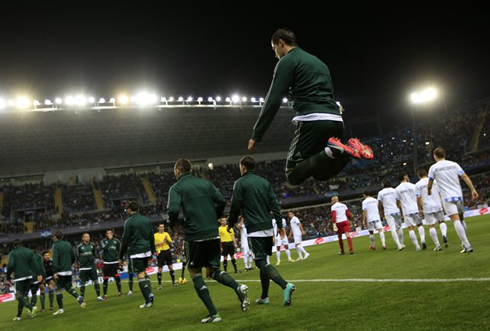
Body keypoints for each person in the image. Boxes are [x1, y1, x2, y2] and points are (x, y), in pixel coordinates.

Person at [247, 27, 373, 187]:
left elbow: (274, 98)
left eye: (274, 49)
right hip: (336, 120)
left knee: (292, 175)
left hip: (312, 120)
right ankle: (346, 153)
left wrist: (257, 134)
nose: (275, 54)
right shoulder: (320, 63)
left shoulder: (287, 61)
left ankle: (336, 150)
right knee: (321, 174)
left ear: (281, 42)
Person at [167, 158, 249, 323]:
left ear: (177, 172)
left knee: (195, 272)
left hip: (195, 235)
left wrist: (173, 224)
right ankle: (238, 287)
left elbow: (173, 209)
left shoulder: (176, 188)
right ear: (190, 169)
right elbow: (221, 201)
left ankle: (214, 313)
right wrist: (214, 216)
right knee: (211, 271)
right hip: (212, 232)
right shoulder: (206, 183)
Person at [227, 156, 295, 307]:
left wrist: (230, 223)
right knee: (263, 260)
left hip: (255, 228)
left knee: (260, 261)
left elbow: (235, 206)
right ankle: (264, 296)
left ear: (243, 166)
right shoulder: (264, 182)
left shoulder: (240, 183)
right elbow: (274, 204)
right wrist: (280, 224)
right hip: (268, 227)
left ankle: (285, 285)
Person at [427, 147, 478, 253]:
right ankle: (464, 243)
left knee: (455, 220)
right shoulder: (454, 164)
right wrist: (472, 189)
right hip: (459, 196)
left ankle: (467, 245)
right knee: (461, 219)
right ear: (444, 154)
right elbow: (464, 176)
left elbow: (430, 182)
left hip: (447, 197)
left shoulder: (433, 168)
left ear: (435, 156)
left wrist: (429, 190)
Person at [118, 200, 156, 308]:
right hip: (146, 250)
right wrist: (152, 252)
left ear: (130, 210)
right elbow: (151, 237)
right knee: (144, 273)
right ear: (138, 209)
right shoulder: (146, 220)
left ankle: (148, 300)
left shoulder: (129, 222)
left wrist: (121, 256)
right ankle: (150, 293)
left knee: (140, 275)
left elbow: (125, 240)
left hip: (136, 251)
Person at [51, 231, 86, 315]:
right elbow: (73, 256)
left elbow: (55, 258)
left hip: (60, 271)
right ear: (62, 236)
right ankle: (78, 297)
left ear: (55, 237)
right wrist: (69, 265)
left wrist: (55, 271)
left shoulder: (55, 245)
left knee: (58, 289)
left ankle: (61, 309)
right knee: (68, 287)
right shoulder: (68, 244)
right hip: (68, 270)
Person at [6, 239, 41, 321]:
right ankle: (18, 316)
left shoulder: (13, 253)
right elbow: (35, 263)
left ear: (14, 245)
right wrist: (39, 274)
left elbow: (10, 265)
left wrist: (8, 276)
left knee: (18, 296)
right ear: (22, 244)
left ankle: (31, 307)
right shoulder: (29, 251)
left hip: (19, 277)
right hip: (29, 276)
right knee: (23, 295)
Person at [415, 168, 446, 251]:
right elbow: (440, 193)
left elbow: (418, 198)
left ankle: (438, 245)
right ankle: (444, 235)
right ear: (426, 173)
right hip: (437, 204)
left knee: (431, 226)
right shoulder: (435, 181)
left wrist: (419, 209)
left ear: (419, 176)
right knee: (441, 222)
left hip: (427, 206)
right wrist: (442, 204)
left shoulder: (417, 185)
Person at [395, 172, 424, 251]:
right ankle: (422, 240)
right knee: (420, 225)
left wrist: (399, 208)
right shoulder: (413, 186)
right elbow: (419, 197)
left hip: (406, 210)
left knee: (410, 229)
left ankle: (417, 246)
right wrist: (420, 208)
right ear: (404, 176)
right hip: (415, 208)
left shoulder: (397, 189)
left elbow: (397, 202)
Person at [377, 179, 405, 251]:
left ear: (383, 185)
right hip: (396, 210)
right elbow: (398, 201)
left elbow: (379, 204)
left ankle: (399, 245)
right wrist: (400, 210)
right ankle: (402, 243)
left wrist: (380, 211)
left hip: (388, 212)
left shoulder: (380, 193)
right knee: (399, 227)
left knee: (392, 228)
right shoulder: (394, 190)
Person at [76, 232, 103, 301]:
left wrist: (91, 261)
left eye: (88, 236)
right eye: (86, 236)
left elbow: (94, 254)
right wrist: (82, 263)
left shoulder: (92, 245)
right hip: (83, 267)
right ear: (83, 238)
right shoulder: (79, 247)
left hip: (92, 266)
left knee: (95, 281)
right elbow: (77, 256)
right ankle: (82, 298)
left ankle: (99, 296)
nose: (87, 238)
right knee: (83, 283)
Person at [154, 222, 178, 288]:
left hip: (167, 251)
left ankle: (174, 282)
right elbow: (153, 244)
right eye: (161, 227)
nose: (162, 228)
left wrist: (167, 240)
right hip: (160, 252)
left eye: (163, 227)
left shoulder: (166, 234)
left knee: (170, 266)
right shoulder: (155, 235)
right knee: (160, 269)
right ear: (158, 228)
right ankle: (159, 285)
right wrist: (159, 243)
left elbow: (171, 241)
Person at [101, 228, 123, 299]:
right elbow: (104, 248)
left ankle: (120, 292)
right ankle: (105, 295)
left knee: (117, 277)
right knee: (105, 278)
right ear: (106, 234)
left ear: (112, 233)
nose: (109, 234)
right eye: (107, 233)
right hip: (106, 262)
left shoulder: (117, 241)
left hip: (115, 262)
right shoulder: (103, 241)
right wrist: (109, 240)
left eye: (110, 233)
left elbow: (120, 251)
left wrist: (121, 260)